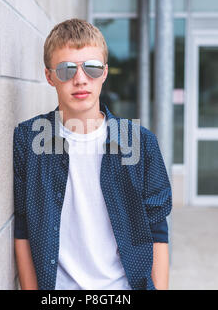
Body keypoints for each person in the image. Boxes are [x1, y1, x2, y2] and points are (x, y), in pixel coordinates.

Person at [13, 18, 172, 290]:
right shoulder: (30, 139)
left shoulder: (139, 141)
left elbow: (157, 230)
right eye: (66, 70)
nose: (80, 79)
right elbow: (24, 229)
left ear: (105, 73)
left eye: (92, 68)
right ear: (49, 76)